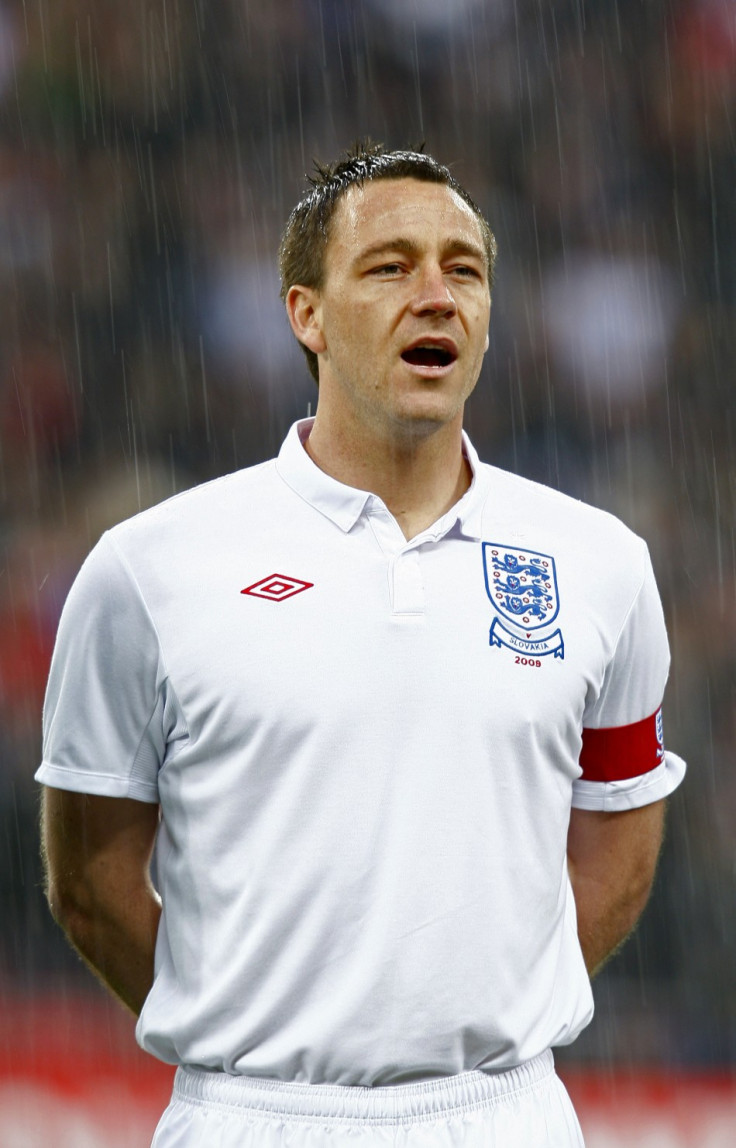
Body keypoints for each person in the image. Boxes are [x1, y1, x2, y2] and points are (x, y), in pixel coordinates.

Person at [38, 142, 686, 1147]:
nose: (435, 294)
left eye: (461, 269)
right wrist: (254, 1028)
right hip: (251, 1114)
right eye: (389, 266)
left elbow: (616, 843)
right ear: (306, 313)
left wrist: (482, 1013)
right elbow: (89, 879)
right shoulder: (151, 568)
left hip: (504, 1111)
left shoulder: (599, 562)